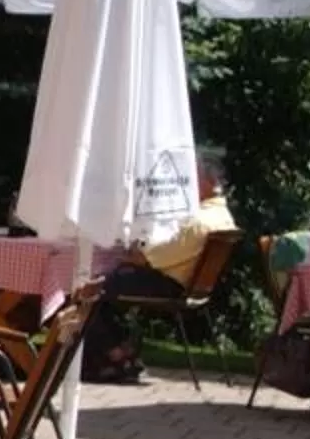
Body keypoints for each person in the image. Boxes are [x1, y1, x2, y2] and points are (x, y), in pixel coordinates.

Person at [85, 152, 235, 383]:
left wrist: (133, 251)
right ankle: (120, 350)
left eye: (191, 178)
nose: (186, 184)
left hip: (168, 284)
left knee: (90, 289)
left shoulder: (198, 221)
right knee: (106, 287)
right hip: (189, 286)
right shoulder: (223, 217)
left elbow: (149, 257)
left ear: (206, 183)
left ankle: (113, 355)